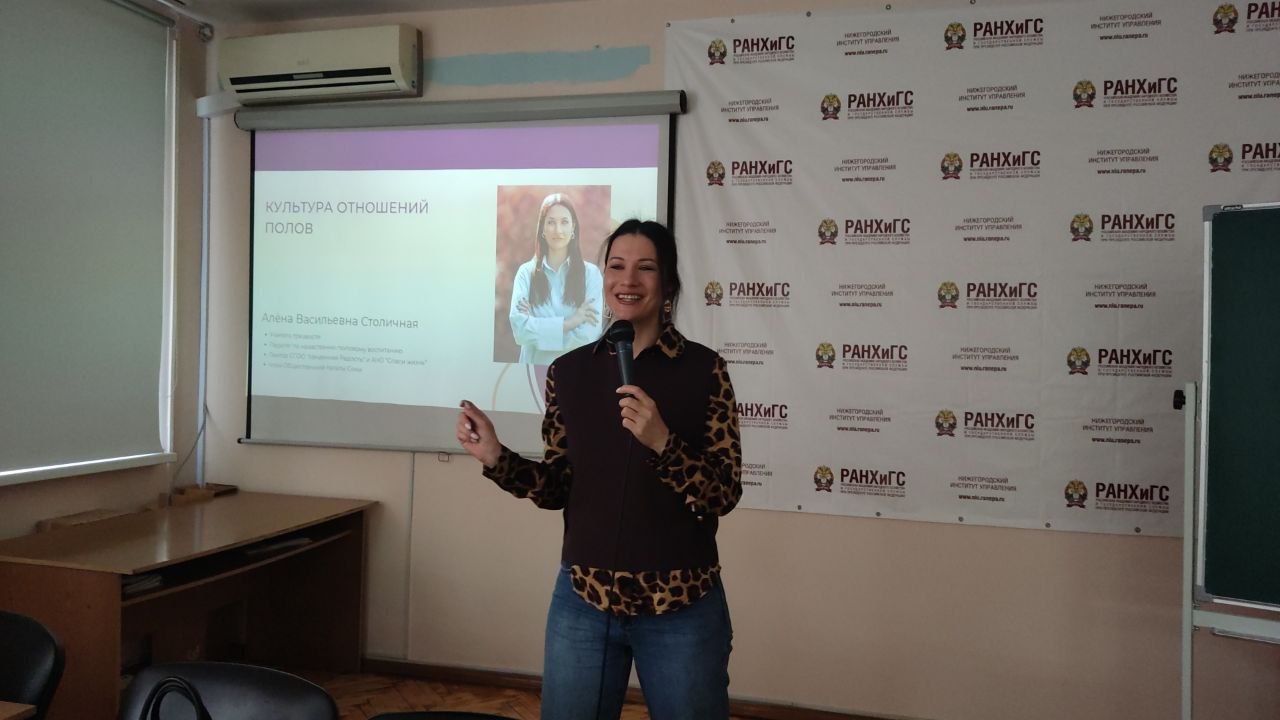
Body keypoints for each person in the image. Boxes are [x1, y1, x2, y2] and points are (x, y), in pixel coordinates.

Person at [457, 219, 743, 720]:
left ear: (668, 284)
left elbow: (722, 493)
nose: (628, 280)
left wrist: (663, 442)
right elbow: (556, 487)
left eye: (645, 268)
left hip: (681, 605)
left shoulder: (705, 370)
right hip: (584, 600)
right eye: (616, 266)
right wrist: (497, 458)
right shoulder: (569, 372)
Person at [508, 193, 604, 364]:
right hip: (531, 374)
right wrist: (570, 323)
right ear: (542, 229)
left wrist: (537, 328)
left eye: (564, 222)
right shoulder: (525, 273)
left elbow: (588, 337)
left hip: (576, 372)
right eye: (551, 222)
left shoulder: (591, 274)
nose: (558, 230)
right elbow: (520, 331)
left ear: (573, 227)